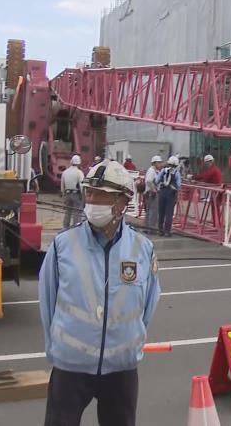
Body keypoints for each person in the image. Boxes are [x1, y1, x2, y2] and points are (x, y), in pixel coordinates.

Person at [38, 160, 160, 426]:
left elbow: (148, 305)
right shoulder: (62, 245)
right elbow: (47, 303)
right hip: (71, 367)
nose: (92, 200)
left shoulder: (142, 248)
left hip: (121, 369)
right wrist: (58, 350)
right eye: (90, 193)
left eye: (101, 194)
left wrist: (128, 342)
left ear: (122, 201)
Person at [156, 156, 182, 237]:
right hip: (171, 195)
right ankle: (167, 231)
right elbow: (178, 185)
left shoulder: (163, 171)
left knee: (161, 212)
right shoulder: (177, 173)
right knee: (169, 213)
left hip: (162, 193)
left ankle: (160, 230)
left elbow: (157, 180)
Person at [61, 155, 85, 228]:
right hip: (76, 194)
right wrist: (83, 196)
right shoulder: (79, 173)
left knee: (68, 211)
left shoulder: (65, 172)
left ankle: (65, 227)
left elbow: (62, 185)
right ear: (79, 163)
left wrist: (63, 194)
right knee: (77, 212)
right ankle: (76, 227)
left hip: (67, 193)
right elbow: (81, 185)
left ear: (71, 162)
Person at [144, 155, 163, 233]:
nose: (160, 164)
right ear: (154, 163)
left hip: (150, 192)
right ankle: (151, 229)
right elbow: (149, 181)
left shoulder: (155, 171)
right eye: (159, 163)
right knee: (153, 211)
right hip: (152, 193)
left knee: (150, 211)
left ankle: (148, 227)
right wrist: (154, 190)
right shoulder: (152, 171)